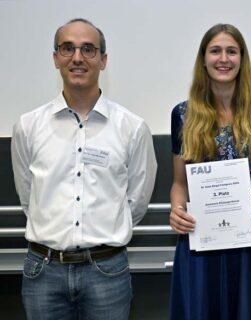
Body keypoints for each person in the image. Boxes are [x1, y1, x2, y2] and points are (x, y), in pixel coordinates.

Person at [11, 18, 157, 320]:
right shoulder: (28, 127)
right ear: (55, 58)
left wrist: (107, 229)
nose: (77, 58)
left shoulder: (131, 128)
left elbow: (137, 200)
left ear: (103, 60)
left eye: (88, 49)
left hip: (107, 271)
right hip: (43, 272)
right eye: (68, 48)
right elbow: (29, 197)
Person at [168, 23, 251, 320]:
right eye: (215, 51)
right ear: (203, 58)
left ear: (242, 58)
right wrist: (176, 210)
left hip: (249, 235)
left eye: (231, 51)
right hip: (200, 234)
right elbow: (179, 183)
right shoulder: (183, 114)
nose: (224, 59)